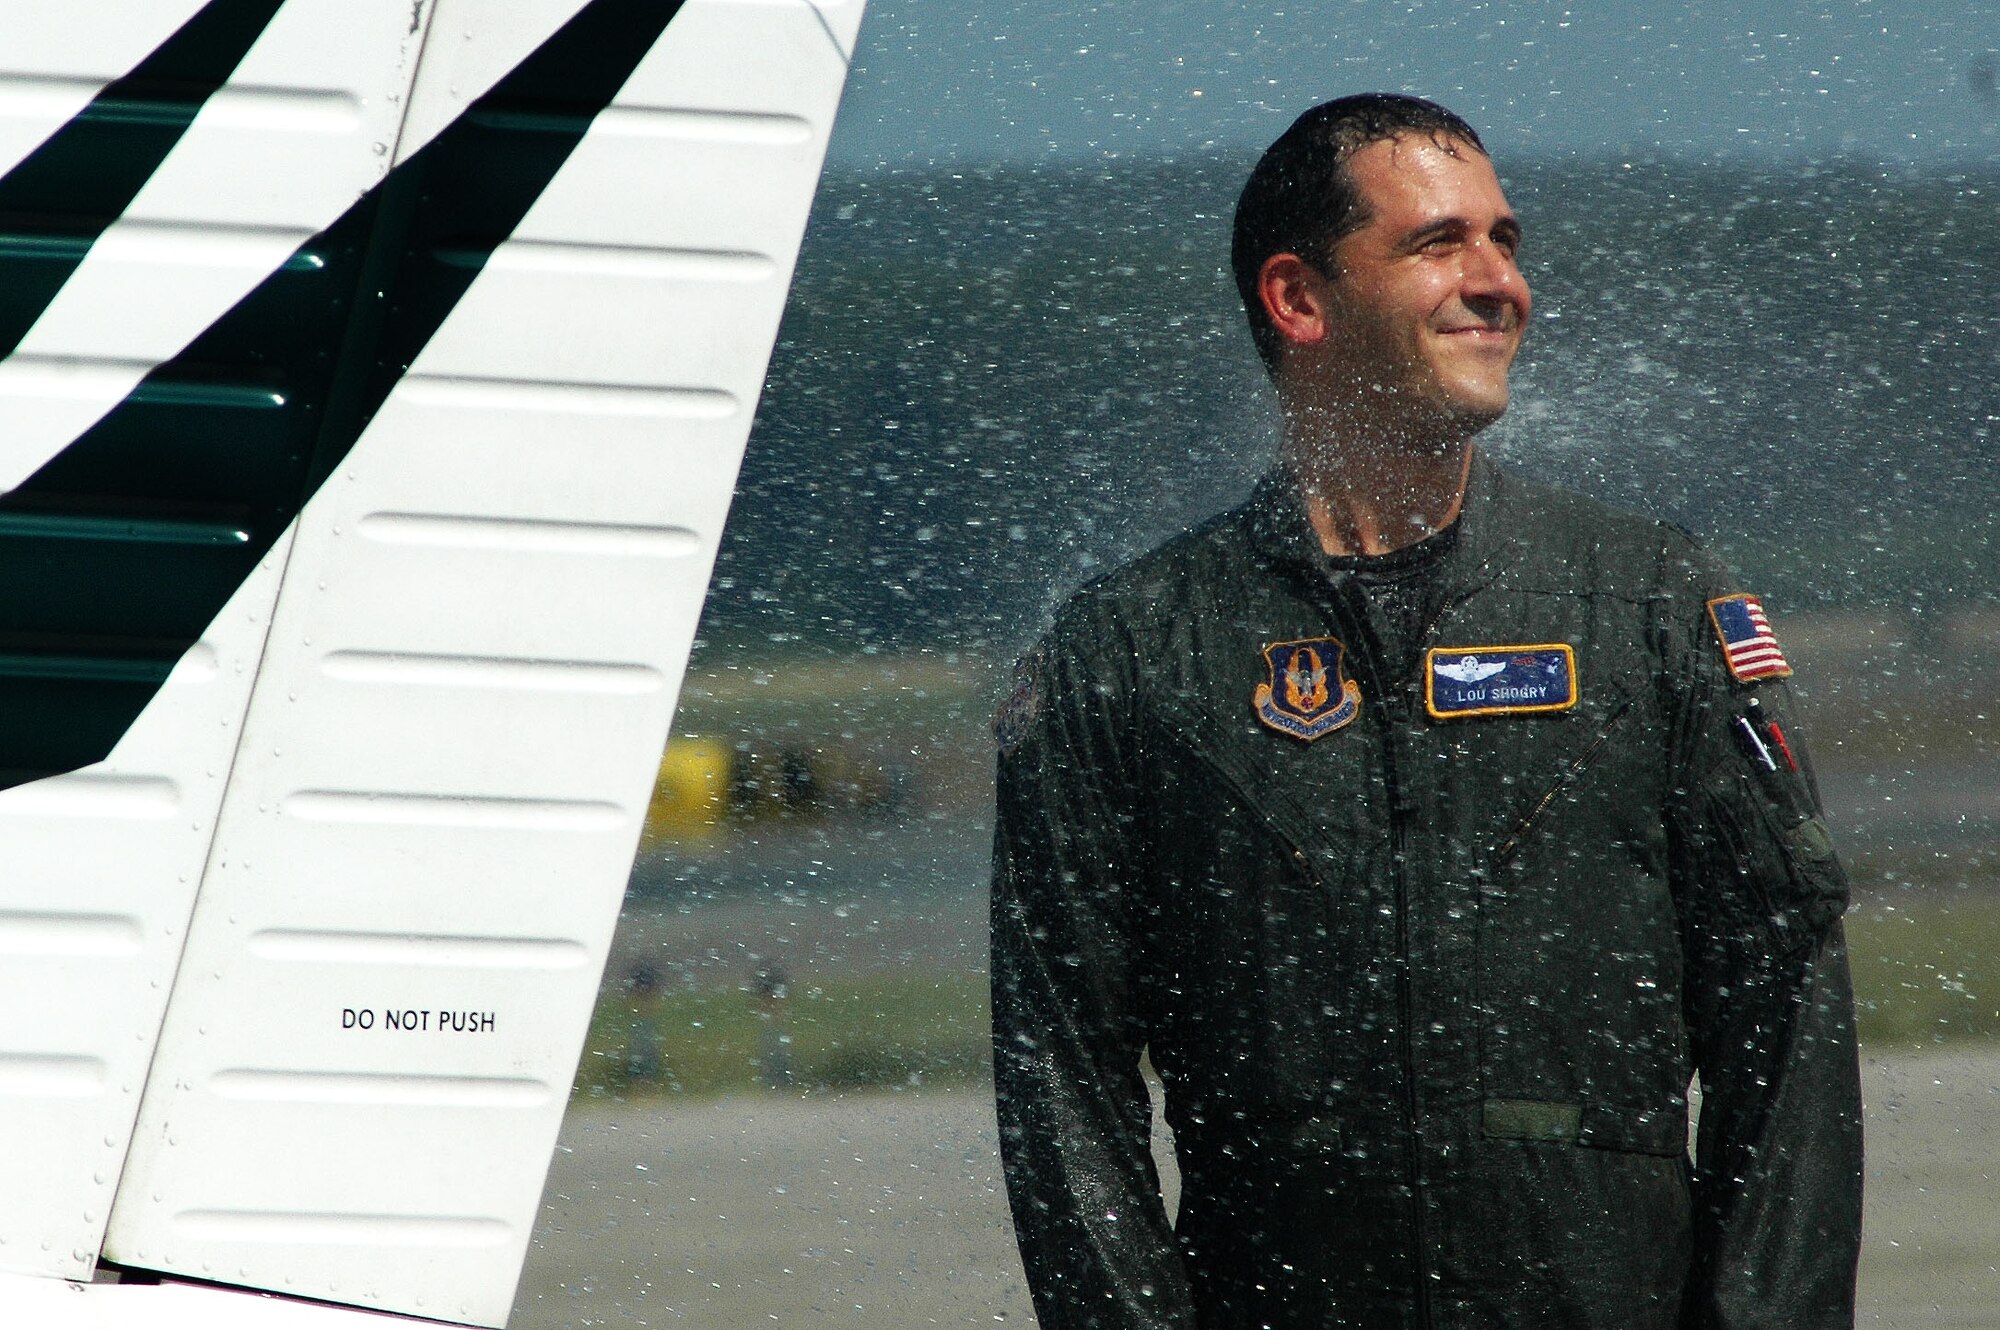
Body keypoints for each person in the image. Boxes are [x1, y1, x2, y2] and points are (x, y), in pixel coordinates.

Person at [989, 94, 1861, 1330]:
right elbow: (1059, 1079)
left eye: (1504, 240)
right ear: (1298, 300)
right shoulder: (1131, 650)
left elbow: (1788, 1032)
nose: (1499, 282)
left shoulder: (1647, 602)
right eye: (1438, 243)